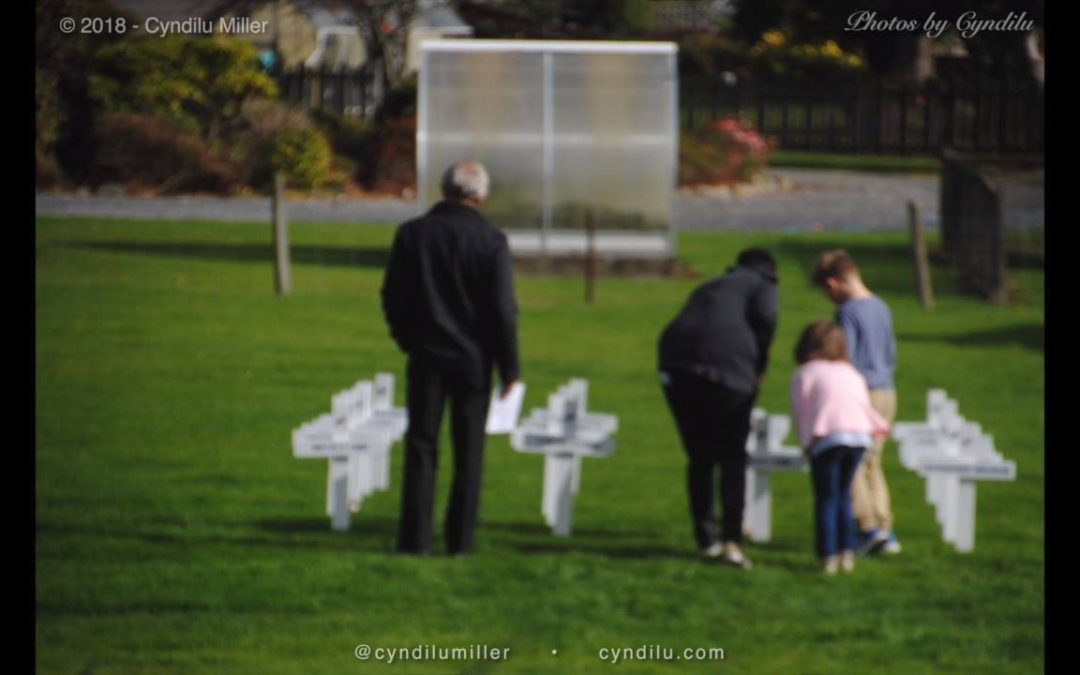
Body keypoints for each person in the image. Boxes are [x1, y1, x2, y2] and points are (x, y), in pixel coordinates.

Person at [381, 160, 520, 556]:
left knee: (421, 447)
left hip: (426, 355)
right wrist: (510, 366)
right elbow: (502, 309)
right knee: (469, 452)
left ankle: (414, 540)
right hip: (474, 360)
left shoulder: (412, 234)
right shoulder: (491, 241)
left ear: (444, 189)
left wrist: (406, 339)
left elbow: (393, 296)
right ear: (480, 194)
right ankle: (460, 541)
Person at [657, 248, 779, 569]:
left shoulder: (711, 285)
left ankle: (706, 538)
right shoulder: (762, 284)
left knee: (699, 456)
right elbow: (767, 317)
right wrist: (759, 365)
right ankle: (731, 541)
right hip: (730, 374)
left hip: (675, 365)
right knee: (732, 457)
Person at [812, 250, 900, 555]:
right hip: (887, 390)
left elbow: (843, 357)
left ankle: (867, 527)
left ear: (834, 283)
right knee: (874, 461)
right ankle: (885, 527)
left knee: (854, 463)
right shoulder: (881, 306)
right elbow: (891, 352)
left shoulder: (848, 312)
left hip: (863, 393)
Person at [790, 320, 890, 574]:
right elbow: (862, 404)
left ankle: (828, 555)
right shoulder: (852, 372)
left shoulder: (805, 373)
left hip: (828, 438)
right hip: (859, 438)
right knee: (844, 495)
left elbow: (801, 413)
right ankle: (847, 552)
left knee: (826, 497)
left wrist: (805, 444)